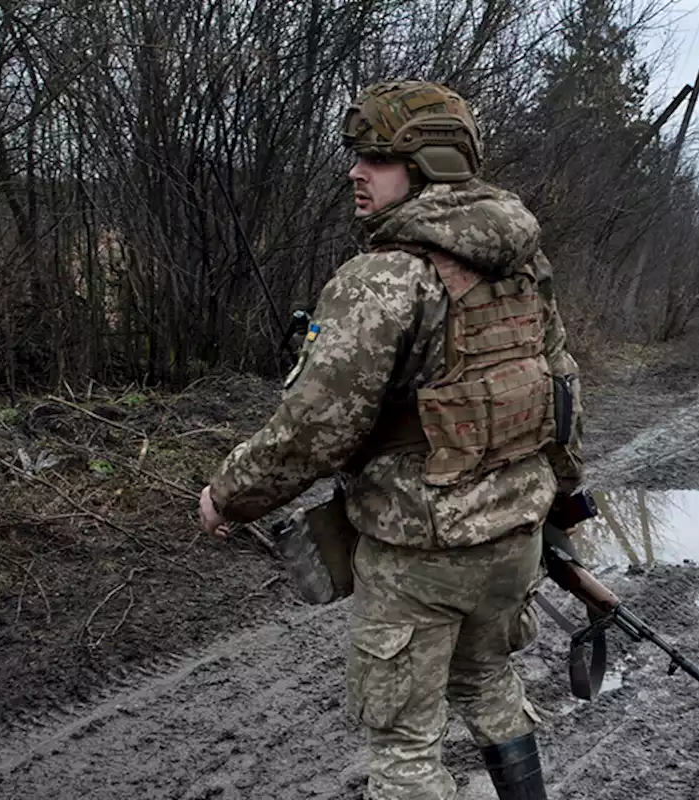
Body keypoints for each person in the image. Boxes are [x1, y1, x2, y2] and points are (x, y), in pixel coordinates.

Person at [198, 79, 584, 800]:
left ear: (429, 164)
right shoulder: (526, 263)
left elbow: (312, 431)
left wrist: (228, 495)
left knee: (405, 742)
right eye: (357, 154)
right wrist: (560, 493)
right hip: (513, 536)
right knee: (489, 682)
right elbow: (562, 391)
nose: (354, 171)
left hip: (421, 554)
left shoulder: (383, 277)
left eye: (376, 157)